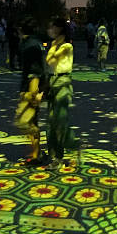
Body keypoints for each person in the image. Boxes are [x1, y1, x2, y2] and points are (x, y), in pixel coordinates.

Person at [45, 17, 79, 166]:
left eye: (52, 27)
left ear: (59, 29)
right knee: (51, 122)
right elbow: (48, 66)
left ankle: (71, 147)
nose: (50, 30)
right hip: (52, 82)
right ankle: (55, 155)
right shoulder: (53, 45)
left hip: (63, 82)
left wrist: (53, 47)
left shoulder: (66, 47)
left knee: (60, 120)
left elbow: (51, 61)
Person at [15, 20, 46, 165]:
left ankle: (36, 154)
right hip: (36, 83)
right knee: (33, 119)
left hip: (32, 83)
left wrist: (25, 90)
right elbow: (43, 66)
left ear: (21, 30)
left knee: (26, 120)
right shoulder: (38, 43)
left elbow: (29, 69)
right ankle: (36, 153)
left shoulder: (27, 45)